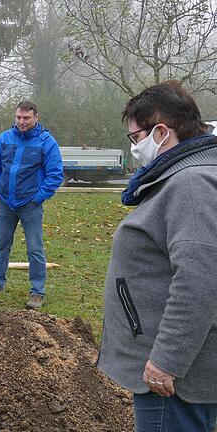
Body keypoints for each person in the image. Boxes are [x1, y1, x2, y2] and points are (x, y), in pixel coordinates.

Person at [98, 81, 217, 432]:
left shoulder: (191, 185)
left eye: (136, 138)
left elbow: (200, 281)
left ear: (162, 132)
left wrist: (167, 361)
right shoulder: (184, 177)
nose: (134, 147)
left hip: (173, 382)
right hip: (173, 374)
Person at [0, 100, 63, 309]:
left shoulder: (46, 142)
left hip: (30, 205)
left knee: (35, 249)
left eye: (26, 118)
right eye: (18, 117)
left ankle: (37, 292)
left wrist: (37, 198)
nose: (21, 122)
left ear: (36, 117)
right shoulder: (5, 138)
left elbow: (55, 174)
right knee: (1, 245)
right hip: (6, 202)